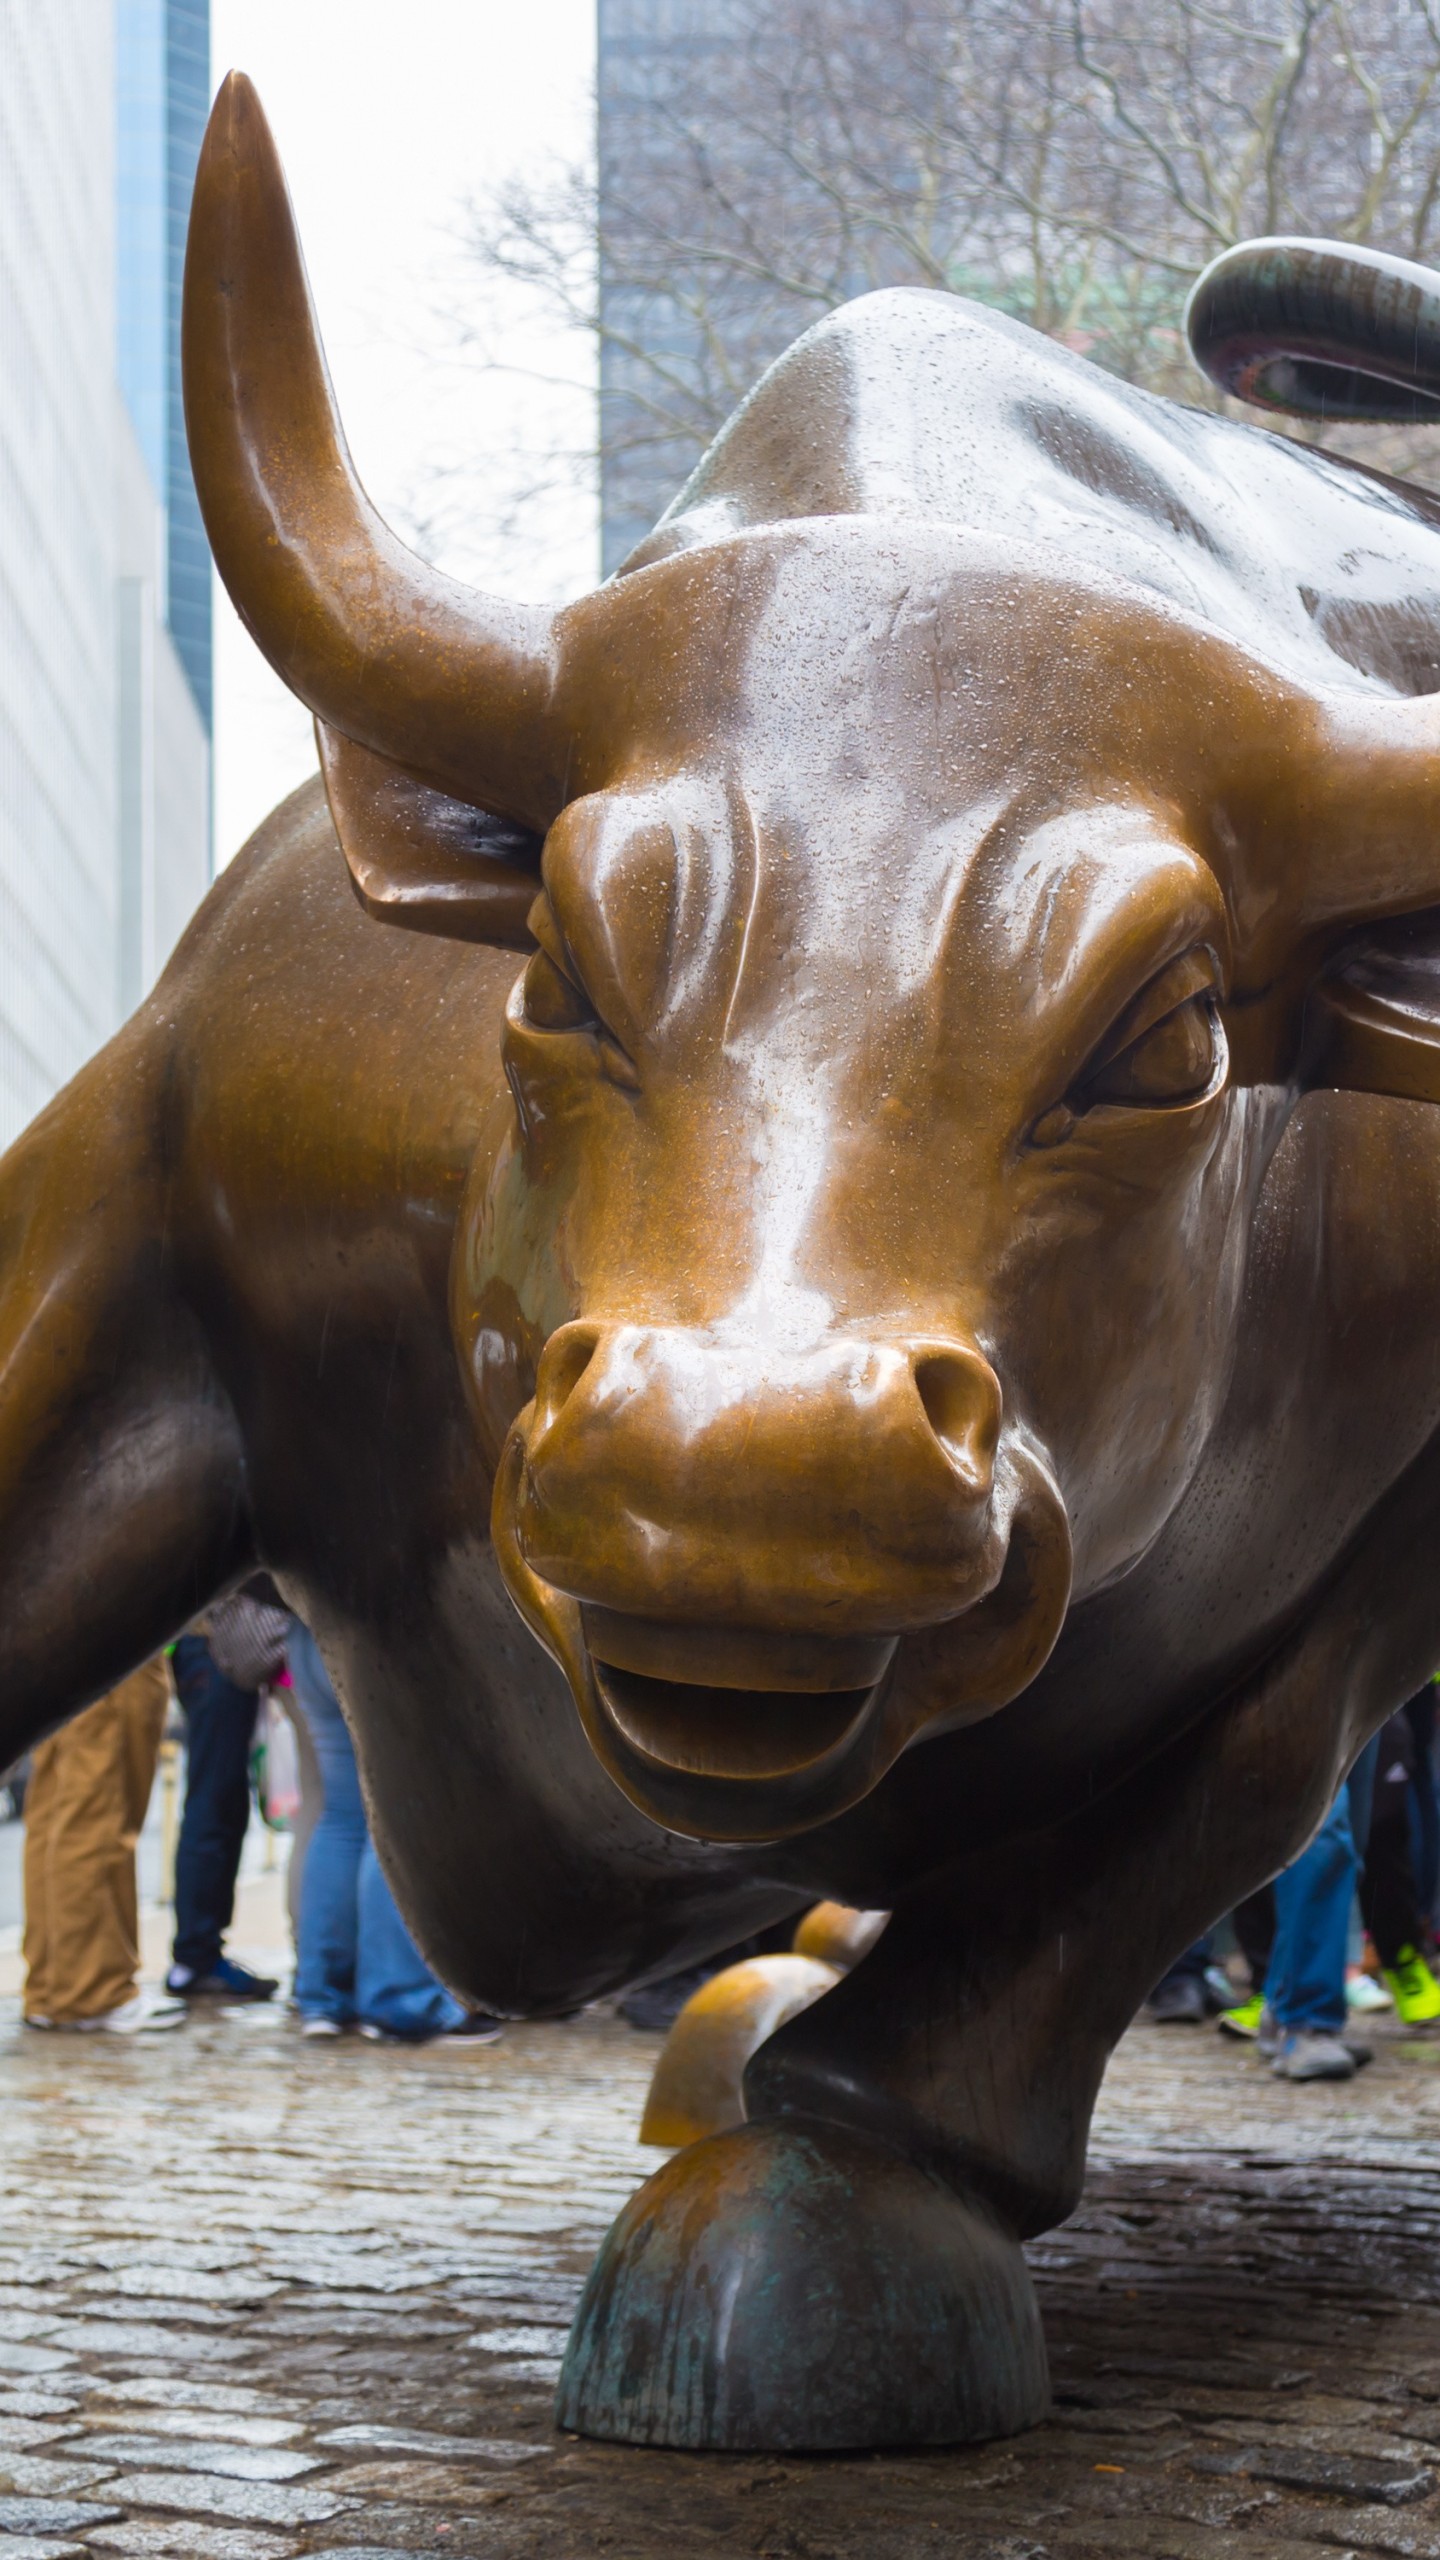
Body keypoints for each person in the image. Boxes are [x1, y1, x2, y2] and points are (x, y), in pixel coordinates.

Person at [285, 1621, 500, 2044]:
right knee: (394, 1816)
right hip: (382, 1630)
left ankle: (324, 1996)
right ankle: (401, 2000)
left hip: (308, 1632)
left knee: (344, 1817)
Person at [23, 1659, 184, 2034]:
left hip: (60, 1639)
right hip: (112, 1649)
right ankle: (92, 1990)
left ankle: (52, 1987)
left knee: (54, 1810)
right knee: (98, 1813)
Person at [164, 1583, 284, 2004]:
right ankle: (196, 1957)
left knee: (217, 1804)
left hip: (204, 1647)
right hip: (213, 1650)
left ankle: (197, 1954)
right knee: (214, 1805)